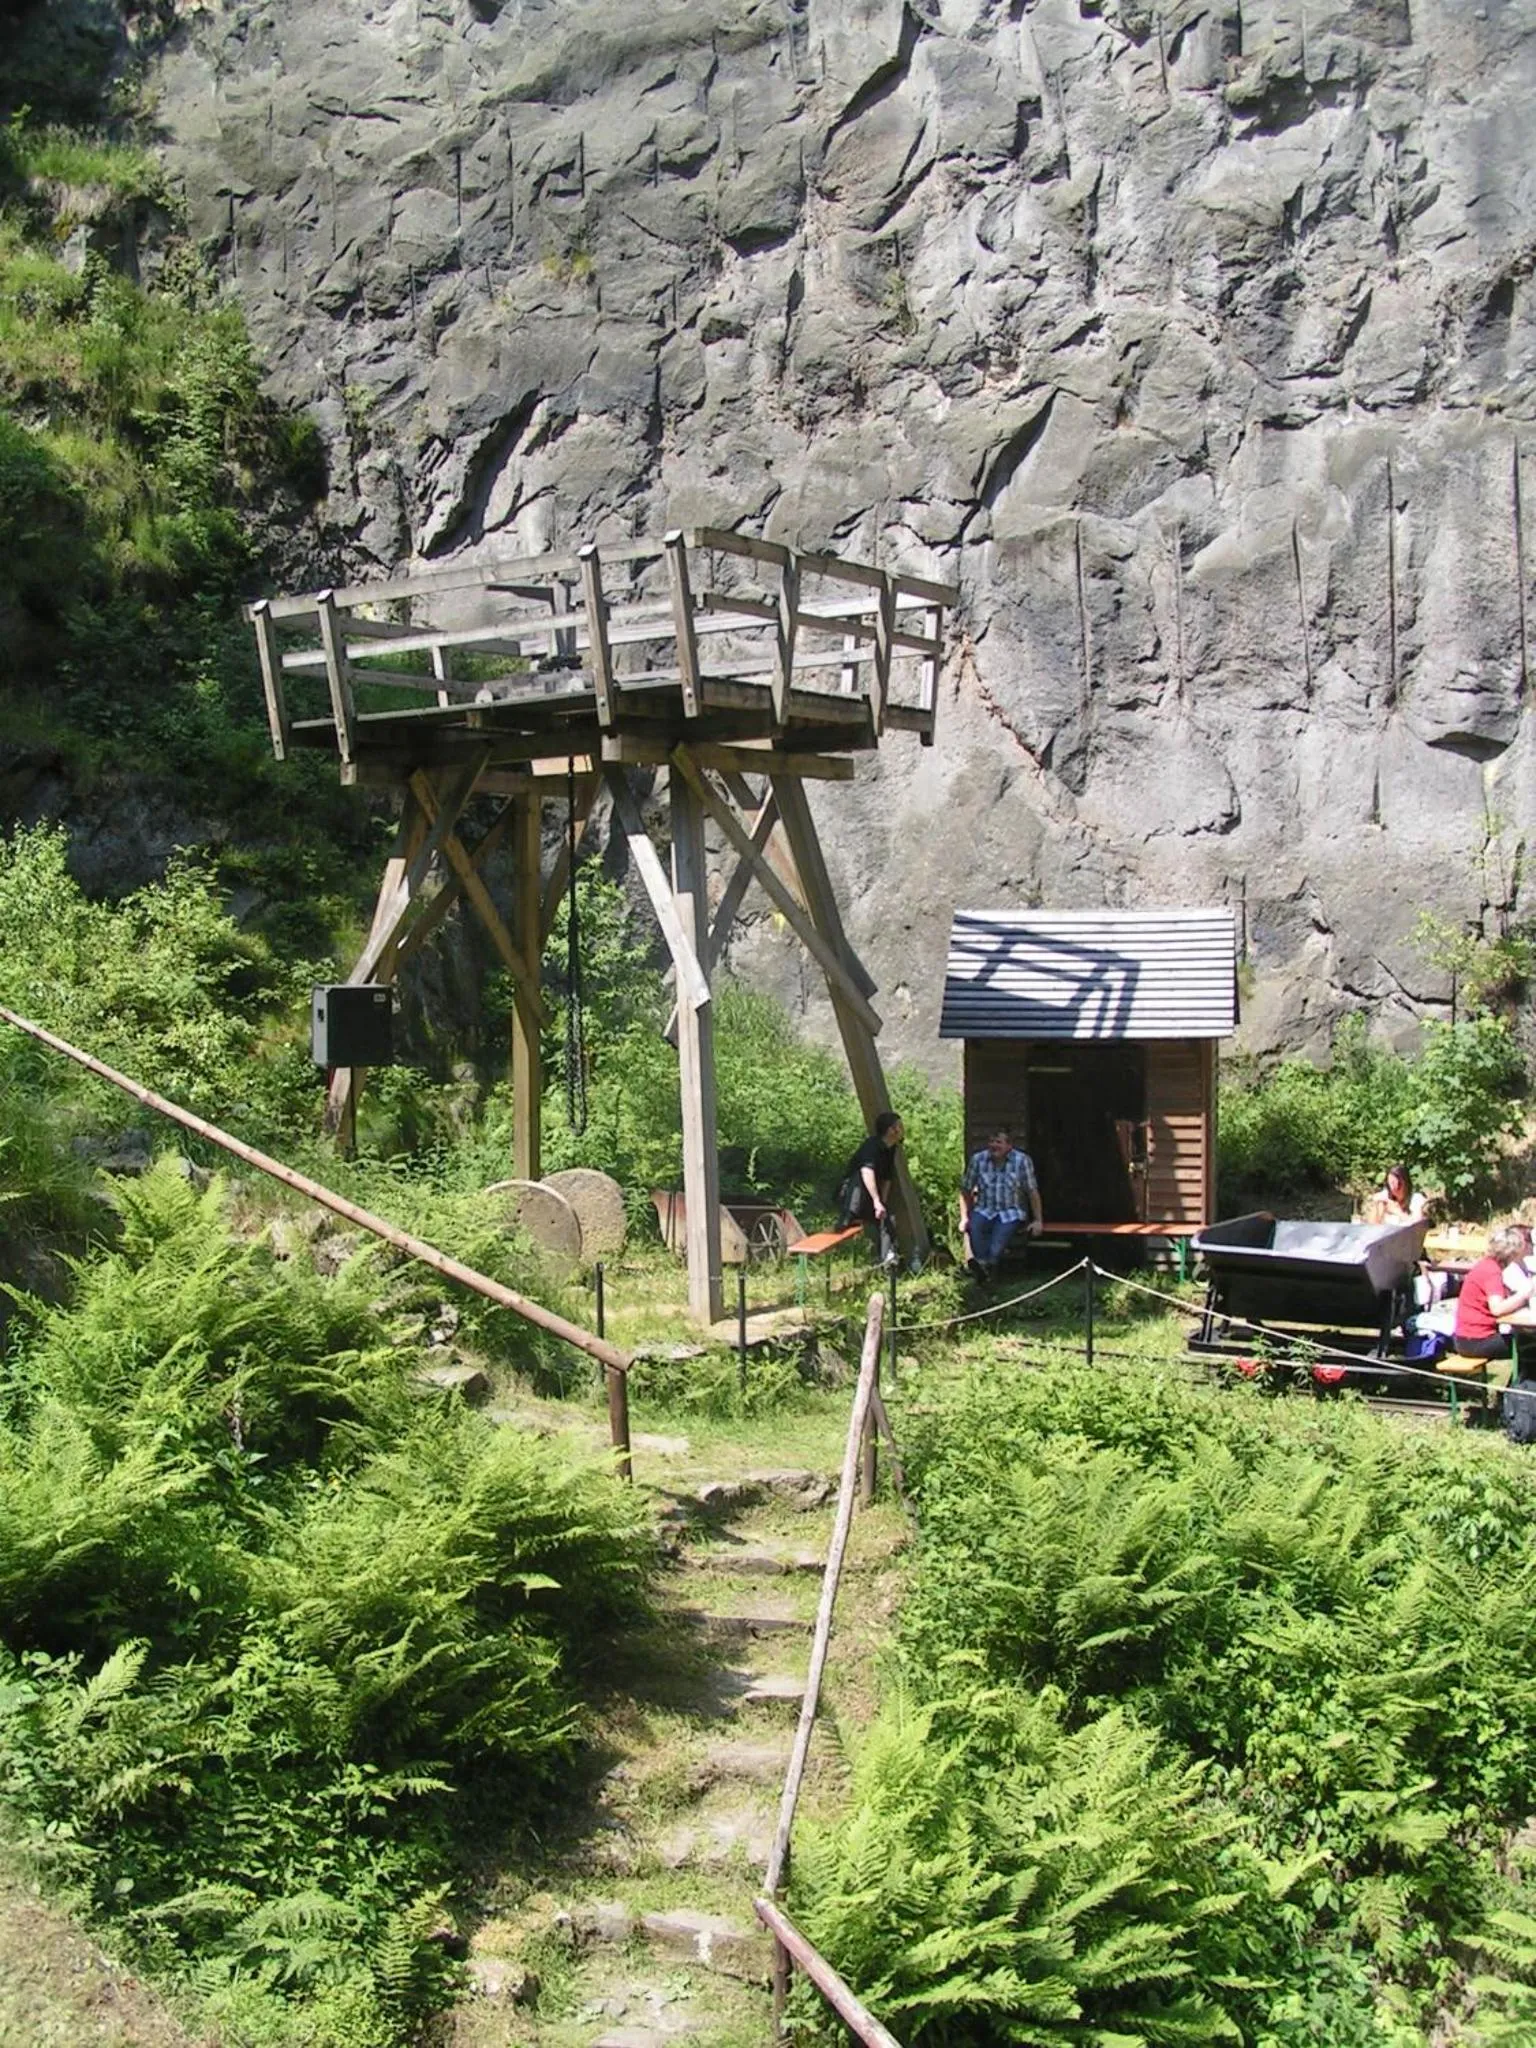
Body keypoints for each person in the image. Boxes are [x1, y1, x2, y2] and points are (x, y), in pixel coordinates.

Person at [959, 1127, 1043, 1282]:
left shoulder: (1022, 1161)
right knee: (975, 1226)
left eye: (998, 1142)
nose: (993, 1145)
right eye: (991, 1141)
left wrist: (1038, 1220)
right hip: (984, 1209)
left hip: (1010, 1212)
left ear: (1009, 1146)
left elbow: (1032, 1192)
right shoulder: (978, 1160)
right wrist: (964, 1217)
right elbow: (965, 1190)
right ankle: (984, 1268)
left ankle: (985, 1268)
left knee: (997, 1243)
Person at [1451, 1224, 1536, 1374]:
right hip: (1474, 1341)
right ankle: (1520, 1391)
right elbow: (1497, 1309)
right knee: (1529, 1346)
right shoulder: (1492, 1271)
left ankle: (1518, 1389)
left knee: (1528, 1341)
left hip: (1468, 1338)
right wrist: (1524, 1294)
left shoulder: (1487, 1265)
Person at [839, 1110, 905, 1270]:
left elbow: (887, 1178)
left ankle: (886, 1262)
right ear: (890, 1130)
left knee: (888, 1219)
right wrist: (876, 1201)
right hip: (851, 1196)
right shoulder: (871, 1146)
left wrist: (882, 1203)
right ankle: (847, 1217)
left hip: (870, 1199)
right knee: (859, 1178)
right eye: (899, 1126)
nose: (902, 1129)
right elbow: (867, 1172)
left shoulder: (891, 1148)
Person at [1363, 1164, 1428, 1225]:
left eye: (1399, 1184)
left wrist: (1397, 1211)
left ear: (1406, 1183)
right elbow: (1372, 1226)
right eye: (1391, 1183)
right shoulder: (1384, 1197)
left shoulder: (1416, 1199)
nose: (1394, 1188)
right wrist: (1376, 1207)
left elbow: (1417, 1225)